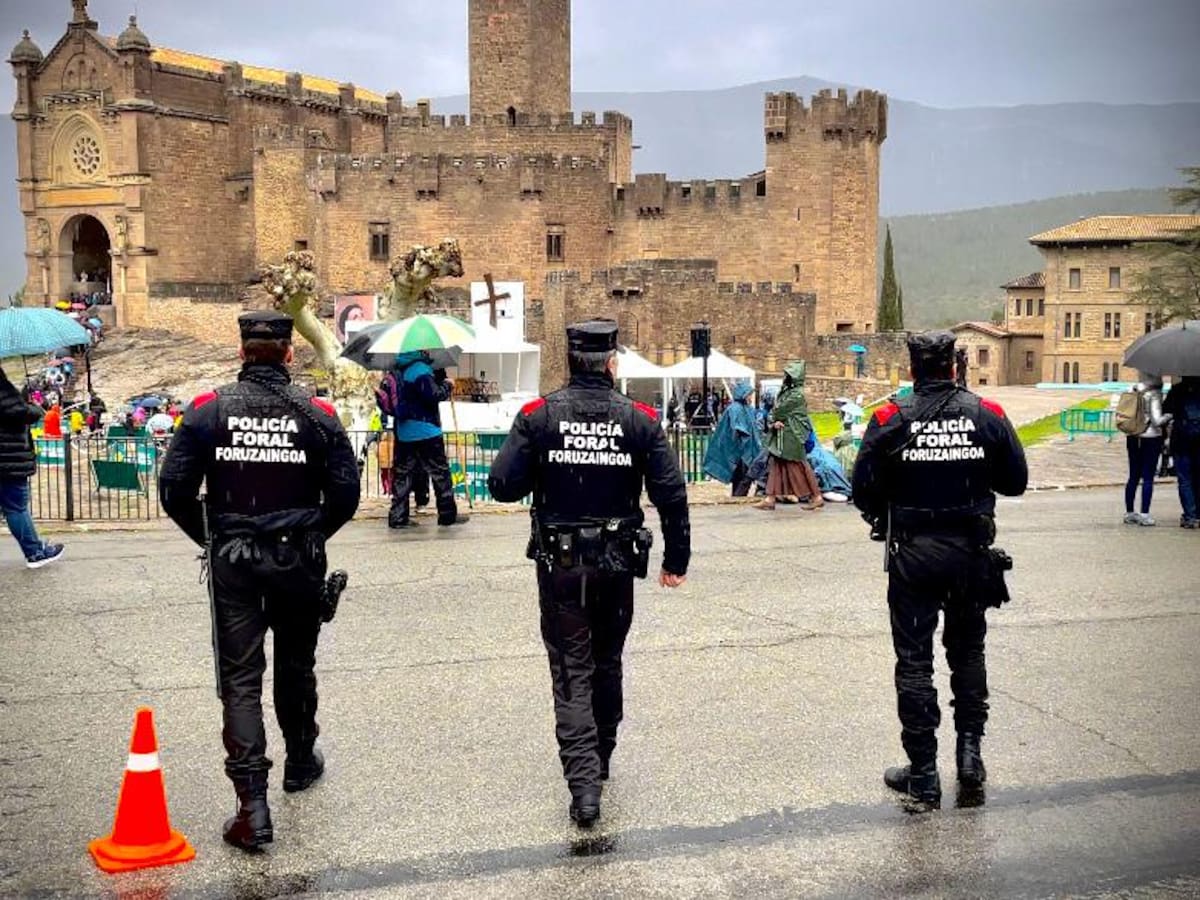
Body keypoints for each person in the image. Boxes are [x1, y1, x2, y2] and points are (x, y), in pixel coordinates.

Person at [158, 311, 360, 851]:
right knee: (297, 666)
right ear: (289, 354)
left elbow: (174, 488)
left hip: (235, 560)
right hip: (297, 558)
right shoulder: (317, 415)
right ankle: (299, 760)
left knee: (242, 678)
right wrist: (310, 532)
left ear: (244, 351)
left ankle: (253, 805)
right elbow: (345, 495)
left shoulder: (208, 410)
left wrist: (212, 537)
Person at [488, 319, 691, 829]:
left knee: (572, 672)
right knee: (607, 662)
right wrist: (676, 560)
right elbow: (671, 495)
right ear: (612, 362)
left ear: (571, 360)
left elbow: (502, 486)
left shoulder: (540, 416)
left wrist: (544, 463)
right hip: (616, 564)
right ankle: (598, 761)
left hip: (563, 566)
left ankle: (585, 791)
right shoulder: (639, 419)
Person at [852, 331, 1027, 809]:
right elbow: (1016, 482)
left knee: (914, 662)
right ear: (953, 367)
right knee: (968, 653)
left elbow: (862, 487)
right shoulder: (986, 414)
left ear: (913, 371)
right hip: (970, 552)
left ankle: (924, 774)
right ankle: (970, 757)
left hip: (913, 553)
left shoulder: (891, 418)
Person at [378, 352, 462, 528]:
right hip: (426, 429)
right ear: (421, 350)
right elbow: (433, 395)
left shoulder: (397, 369)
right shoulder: (421, 370)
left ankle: (398, 517)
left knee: (402, 474)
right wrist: (447, 385)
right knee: (440, 473)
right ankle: (447, 515)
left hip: (403, 431)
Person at [0, 367, 64, 568]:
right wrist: (33, 408)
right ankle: (35, 552)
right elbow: (17, 412)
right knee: (16, 508)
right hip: (7, 459)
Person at [755, 361, 823, 511]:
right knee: (777, 465)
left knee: (800, 465)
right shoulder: (789, 392)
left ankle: (816, 496)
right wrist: (774, 421)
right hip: (785, 434)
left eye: (788, 375)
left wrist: (775, 418)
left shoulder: (796, 395)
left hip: (793, 435)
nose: (785, 377)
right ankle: (770, 498)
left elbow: (778, 410)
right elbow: (775, 411)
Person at [1123, 372, 1171, 526]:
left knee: (1133, 476)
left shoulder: (1131, 389)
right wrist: (1169, 416)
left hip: (1133, 436)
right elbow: (1157, 420)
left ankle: (1129, 512)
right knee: (1148, 477)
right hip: (1150, 438)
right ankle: (1144, 513)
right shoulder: (1154, 394)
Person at [702, 381, 761, 496]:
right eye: (749, 394)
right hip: (740, 450)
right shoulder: (735, 409)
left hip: (746, 449)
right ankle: (738, 497)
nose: (750, 397)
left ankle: (738, 496)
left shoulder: (747, 409)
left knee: (745, 476)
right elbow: (738, 428)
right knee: (742, 477)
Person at [1163, 376, 1200, 529]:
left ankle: (1190, 516)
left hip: (1181, 439)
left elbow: (1166, 411)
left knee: (1185, 479)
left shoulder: (1177, 390)